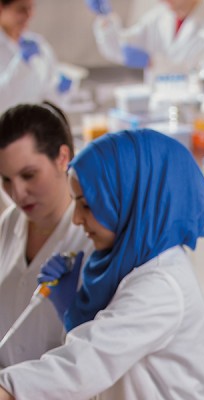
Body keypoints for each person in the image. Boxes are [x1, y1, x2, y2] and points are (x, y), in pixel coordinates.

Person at [0, 129, 204, 399]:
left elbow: (86, 363)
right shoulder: (121, 265)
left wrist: (7, 387)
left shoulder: (161, 284)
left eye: (87, 206)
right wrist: (73, 310)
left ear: (128, 198)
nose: (77, 219)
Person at [0, 102, 92, 368]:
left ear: (62, 158)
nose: (17, 194)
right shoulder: (10, 223)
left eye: (28, 175)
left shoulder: (92, 236)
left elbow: (92, 357)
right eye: (6, 179)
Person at [85, 0, 204, 81]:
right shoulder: (159, 17)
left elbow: (203, 76)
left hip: (190, 115)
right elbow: (120, 48)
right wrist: (105, 17)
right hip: (156, 109)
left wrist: (154, 62)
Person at [0, 0, 71, 113]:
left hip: (37, 125)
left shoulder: (39, 45)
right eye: (21, 9)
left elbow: (46, 97)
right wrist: (21, 64)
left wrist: (58, 91)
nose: (28, 15)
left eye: (31, 8)